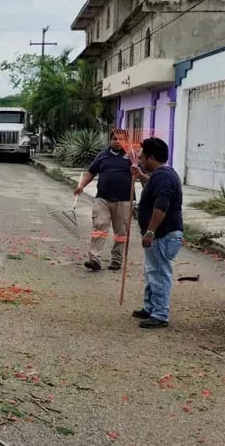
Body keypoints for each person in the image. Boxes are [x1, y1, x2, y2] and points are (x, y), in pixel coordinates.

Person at [132, 137, 184, 330]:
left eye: (143, 157)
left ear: (151, 158)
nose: (141, 160)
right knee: (152, 271)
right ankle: (150, 307)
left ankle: (160, 314)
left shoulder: (163, 177)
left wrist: (150, 232)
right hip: (159, 234)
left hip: (162, 234)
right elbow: (152, 186)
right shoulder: (160, 175)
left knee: (159, 273)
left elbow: (161, 206)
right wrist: (140, 176)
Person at [75, 129, 133, 271]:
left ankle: (116, 260)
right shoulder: (102, 156)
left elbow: (143, 173)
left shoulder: (132, 156)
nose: (117, 142)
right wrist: (81, 186)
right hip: (103, 199)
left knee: (121, 232)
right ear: (110, 140)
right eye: (114, 139)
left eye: (120, 139)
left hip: (124, 200)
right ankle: (95, 259)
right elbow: (91, 172)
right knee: (99, 228)